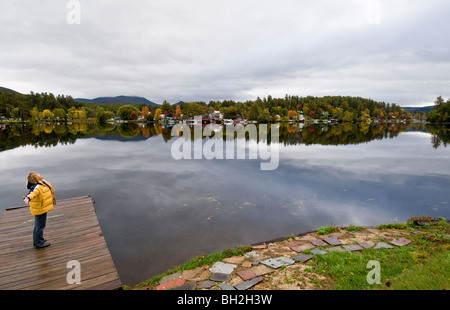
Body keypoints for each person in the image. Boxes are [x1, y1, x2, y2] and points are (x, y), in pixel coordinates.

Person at [22, 172, 55, 249]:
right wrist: (27, 198)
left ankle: (37, 241)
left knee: (38, 225)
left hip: (41, 208)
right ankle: (39, 243)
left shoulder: (40, 183)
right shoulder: (37, 186)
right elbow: (33, 193)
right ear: (35, 179)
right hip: (40, 209)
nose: (40, 174)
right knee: (40, 226)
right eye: (38, 175)